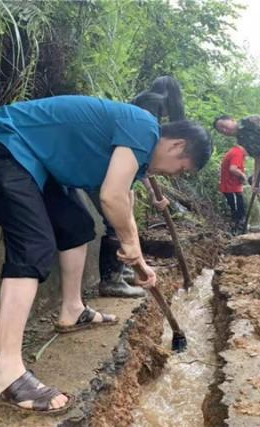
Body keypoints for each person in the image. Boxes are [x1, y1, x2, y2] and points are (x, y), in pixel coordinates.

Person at [0, 95, 211, 414]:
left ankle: (72, 309)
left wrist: (139, 260)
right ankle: (5, 372)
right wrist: (131, 243)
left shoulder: (139, 154)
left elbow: (124, 201)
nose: (174, 176)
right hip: (2, 145)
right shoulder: (144, 127)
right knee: (33, 247)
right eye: (181, 169)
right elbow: (111, 196)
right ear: (178, 146)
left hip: (33, 162)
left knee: (78, 226)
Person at [93, 76, 184, 298]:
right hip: (110, 168)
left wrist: (153, 194)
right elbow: (139, 152)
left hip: (114, 165)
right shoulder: (151, 108)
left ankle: (120, 271)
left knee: (118, 218)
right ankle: (111, 281)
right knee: (115, 219)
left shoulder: (143, 101)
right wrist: (152, 192)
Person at [219, 144, 248, 235]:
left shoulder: (235, 151)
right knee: (238, 214)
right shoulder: (237, 153)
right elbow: (233, 169)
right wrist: (243, 176)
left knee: (239, 212)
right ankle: (238, 233)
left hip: (233, 187)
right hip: (232, 188)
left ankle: (240, 230)